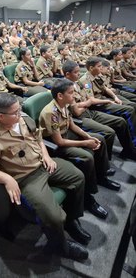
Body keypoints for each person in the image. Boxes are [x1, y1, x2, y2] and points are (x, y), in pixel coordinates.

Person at [0, 93, 90, 261]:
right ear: (1, 116)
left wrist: (46, 156)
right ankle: (59, 246)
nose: (19, 112)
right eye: (15, 112)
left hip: (43, 164)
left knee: (78, 177)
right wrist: (7, 179)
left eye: (19, 108)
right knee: (53, 216)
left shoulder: (24, 118)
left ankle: (71, 221)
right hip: (26, 177)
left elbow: (38, 139)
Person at [39, 79, 121, 220]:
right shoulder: (50, 112)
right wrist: (85, 143)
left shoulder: (65, 104)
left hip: (66, 134)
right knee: (86, 157)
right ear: (60, 95)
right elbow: (59, 141)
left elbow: (72, 125)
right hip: (56, 144)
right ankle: (89, 198)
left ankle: (102, 176)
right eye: (71, 93)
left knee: (99, 139)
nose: (74, 95)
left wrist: (88, 137)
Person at [62, 60, 136, 161]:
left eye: (79, 71)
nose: (79, 74)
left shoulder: (76, 83)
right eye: (76, 72)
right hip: (80, 118)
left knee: (121, 121)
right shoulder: (66, 88)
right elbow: (77, 111)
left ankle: (129, 150)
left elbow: (89, 99)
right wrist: (88, 103)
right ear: (67, 74)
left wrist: (87, 103)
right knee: (109, 132)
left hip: (89, 110)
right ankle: (105, 162)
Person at [79, 57, 136, 148]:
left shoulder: (97, 75)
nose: (101, 68)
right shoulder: (85, 80)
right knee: (128, 111)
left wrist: (115, 97)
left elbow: (105, 88)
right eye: (99, 66)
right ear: (91, 68)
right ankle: (132, 145)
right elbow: (92, 100)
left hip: (103, 99)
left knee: (132, 106)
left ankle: (132, 139)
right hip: (96, 104)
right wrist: (108, 101)